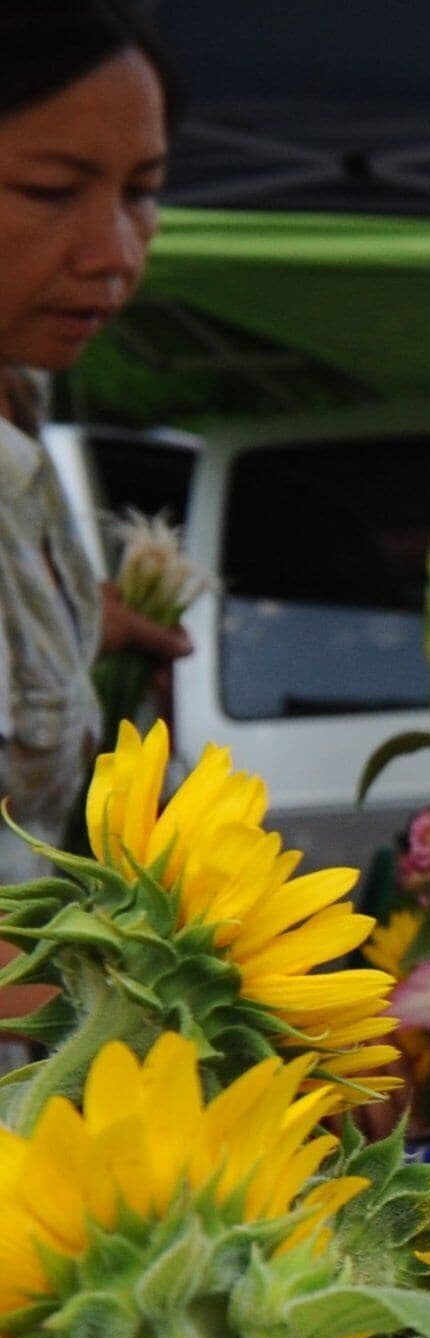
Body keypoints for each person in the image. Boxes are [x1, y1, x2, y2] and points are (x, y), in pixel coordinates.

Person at [0, 0, 180, 892]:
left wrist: (76, 630)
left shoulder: (22, 415)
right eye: (50, 191)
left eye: (141, 192)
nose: (115, 254)